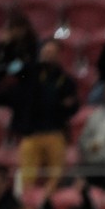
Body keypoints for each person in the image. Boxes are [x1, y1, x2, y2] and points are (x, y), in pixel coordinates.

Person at [10, 41, 80, 192]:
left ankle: (50, 198)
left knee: (56, 175)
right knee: (27, 175)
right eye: (45, 52)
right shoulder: (29, 74)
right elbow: (12, 70)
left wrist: (67, 105)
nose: (48, 55)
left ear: (58, 55)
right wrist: (24, 60)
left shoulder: (66, 80)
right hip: (31, 132)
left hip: (55, 131)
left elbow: (73, 106)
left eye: (51, 52)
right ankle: (27, 198)